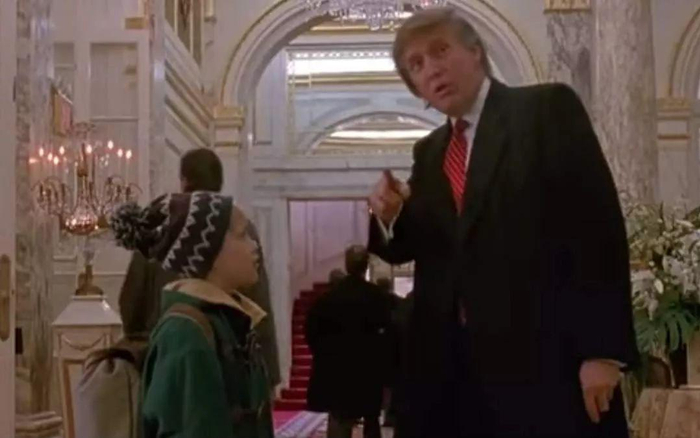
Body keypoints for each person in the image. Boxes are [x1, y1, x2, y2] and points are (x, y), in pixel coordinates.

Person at [367, 7, 638, 437]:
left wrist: (601, 352)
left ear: (475, 50)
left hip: (545, 366)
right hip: (452, 378)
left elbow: (595, 232)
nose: (432, 69)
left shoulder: (545, 110)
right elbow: (421, 247)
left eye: (440, 50)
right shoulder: (430, 152)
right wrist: (389, 217)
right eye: (416, 64)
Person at [110, 192, 274, 437]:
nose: (254, 246)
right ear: (210, 252)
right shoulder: (186, 335)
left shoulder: (226, 321)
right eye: (242, 235)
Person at [118, 147, 281, 387]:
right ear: (220, 182)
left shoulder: (161, 229)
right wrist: (268, 372)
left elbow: (131, 302)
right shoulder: (240, 227)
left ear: (184, 180)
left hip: (163, 359)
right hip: (229, 364)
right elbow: (259, 303)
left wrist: (143, 349)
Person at [305, 245, 390, 438]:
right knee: (371, 419)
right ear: (366, 266)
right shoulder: (377, 296)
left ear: (346, 264)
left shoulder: (328, 298)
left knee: (338, 419)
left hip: (336, 370)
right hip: (369, 371)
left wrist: (324, 355)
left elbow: (311, 332)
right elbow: (387, 332)